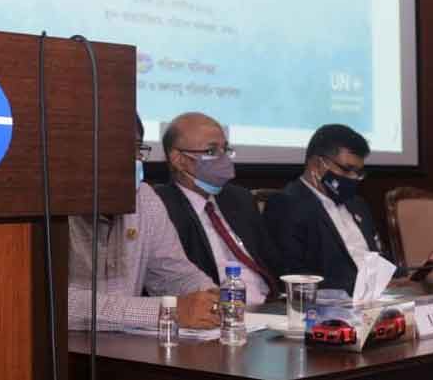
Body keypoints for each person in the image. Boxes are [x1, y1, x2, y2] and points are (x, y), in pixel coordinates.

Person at [67, 115, 219, 332]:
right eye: (113, 148)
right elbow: (60, 303)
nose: (129, 159)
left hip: (129, 346)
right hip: (64, 347)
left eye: (136, 148)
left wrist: (212, 299)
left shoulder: (144, 198)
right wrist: (166, 312)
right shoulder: (49, 206)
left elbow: (174, 275)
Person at [153, 112, 280, 304]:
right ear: (178, 159)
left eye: (225, 149)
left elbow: (273, 263)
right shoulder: (160, 206)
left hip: (270, 306)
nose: (224, 159)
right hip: (216, 308)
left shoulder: (240, 199)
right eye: (211, 151)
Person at [264, 124, 396, 292]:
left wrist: (407, 277)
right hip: (332, 301)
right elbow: (293, 275)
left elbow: (379, 257)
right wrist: (358, 287)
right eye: (347, 170)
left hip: (379, 296)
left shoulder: (357, 204)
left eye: (358, 172)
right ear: (316, 165)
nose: (354, 178)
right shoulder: (286, 204)